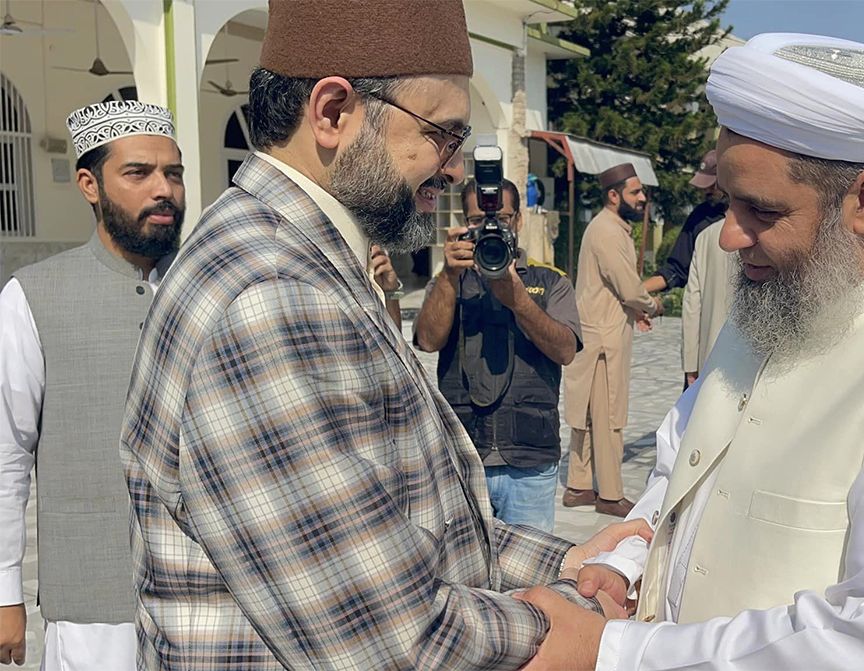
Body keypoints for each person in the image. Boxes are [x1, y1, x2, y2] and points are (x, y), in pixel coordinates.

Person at [118, 2, 648, 668]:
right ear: (334, 112)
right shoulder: (270, 297)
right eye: (442, 135)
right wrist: (565, 616)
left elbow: (400, 524)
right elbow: (390, 637)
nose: (454, 170)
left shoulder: (303, 260)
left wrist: (570, 556)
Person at [517, 33, 864, 670]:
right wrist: (625, 563)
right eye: (728, 202)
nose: (729, 235)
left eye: (761, 210)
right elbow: (683, 472)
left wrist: (616, 652)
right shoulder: (778, 303)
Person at [0, 101, 183, 669]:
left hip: (213, 600)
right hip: (93, 605)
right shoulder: (32, 295)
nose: (164, 189)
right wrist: (5, 595)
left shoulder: (208, 282)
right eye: (138, 173)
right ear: (89, 184)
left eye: (173, 173)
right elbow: (6, 454)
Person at [414, 179, 582, 532]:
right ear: (463, 223)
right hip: (463, 459)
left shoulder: (549, 280)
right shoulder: (449, 279)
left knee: (530, 581)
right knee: (467, 578)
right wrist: (448, 276)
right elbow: (427, 341)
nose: (491, 227)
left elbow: (566, 350)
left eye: (502, 218)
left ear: (518, 221)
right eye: (477, 220)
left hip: (529, 459)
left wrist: (517, 298)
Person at [563, 163, 664, 518]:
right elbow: (627, 284)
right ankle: (609, 493)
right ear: (613, 195)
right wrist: (651, 305)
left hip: (595, 333)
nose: (641, 198)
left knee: (589, 416)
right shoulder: (607, 230)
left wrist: (635, 310)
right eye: (635, 192)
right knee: (608, 416)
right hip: (604, 338)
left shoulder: (605, 227)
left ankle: (578, 486)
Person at [643, 150, 729, 295]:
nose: (706, 191)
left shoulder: (751, 215)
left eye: (712, 185)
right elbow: (677, 269)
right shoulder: (699, 218)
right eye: (703, 186)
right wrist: (636, 292)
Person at [680, 218, 737, 387]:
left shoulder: (706, 236)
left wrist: (691, 365)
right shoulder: (770, 232)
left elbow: (692, 305)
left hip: (710, 359)